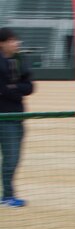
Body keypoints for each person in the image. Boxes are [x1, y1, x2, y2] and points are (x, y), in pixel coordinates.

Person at [0, 28, 33, 207]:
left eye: (16, 40)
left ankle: (7, 194)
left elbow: (29, 87)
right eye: (12, 40)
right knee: (11, 158)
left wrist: (13, 89)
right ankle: (7, 196)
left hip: (17, 115)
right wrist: (14, 89)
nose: (16, 43)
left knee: (14, 158)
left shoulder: (21, 60)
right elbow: (4, 89)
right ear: (2, 43)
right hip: (5, 116)